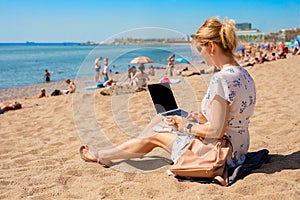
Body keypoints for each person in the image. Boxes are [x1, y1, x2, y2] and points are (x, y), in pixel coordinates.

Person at [79, 16, 256, 171]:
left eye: (200, 49)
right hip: (238, 150)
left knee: (155, 134)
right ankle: (135, 146)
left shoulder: (221, 79)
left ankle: (104, 155)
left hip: (219, 154)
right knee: (160, 120)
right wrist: (200, 118)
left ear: (210, 46)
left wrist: (186, 126)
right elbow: (231, 118)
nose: (201, 55)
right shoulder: (243, 74)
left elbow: (217, 131)